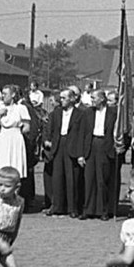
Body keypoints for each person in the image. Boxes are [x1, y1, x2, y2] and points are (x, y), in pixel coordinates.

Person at [44, 86, 87, 218]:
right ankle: (57, 206)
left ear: (72, 99)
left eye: (64, 98)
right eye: (60, 98)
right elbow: (50, 129)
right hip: (58, 146)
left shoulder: (80, 114)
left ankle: (72, 208)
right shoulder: (56, 113)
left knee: (71, 178)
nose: (61, 100)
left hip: (72, 146)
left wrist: (80, 152)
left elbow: (81, 134)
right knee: (57, 178)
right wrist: (48, 141)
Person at [81, 89, 117, 220]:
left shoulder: (113, 113)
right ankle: (88, 209)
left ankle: (103, 210)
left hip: (105, 145)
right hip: (91, 145)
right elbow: (83, 133)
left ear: (102, 99)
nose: (92, 101)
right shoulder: (88, 113)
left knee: (102, 179)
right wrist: (82, 154)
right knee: (89, 178)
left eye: (94, 98)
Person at [0, 84, 31, 183]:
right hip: (3, 138)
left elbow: (27, 127)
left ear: (13, 95)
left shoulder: (21, 108)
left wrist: (17, 132)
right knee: (1, 166)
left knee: (15, 166)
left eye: (5, 94)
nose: (3, 96)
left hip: (16, 139)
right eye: (2, 94)